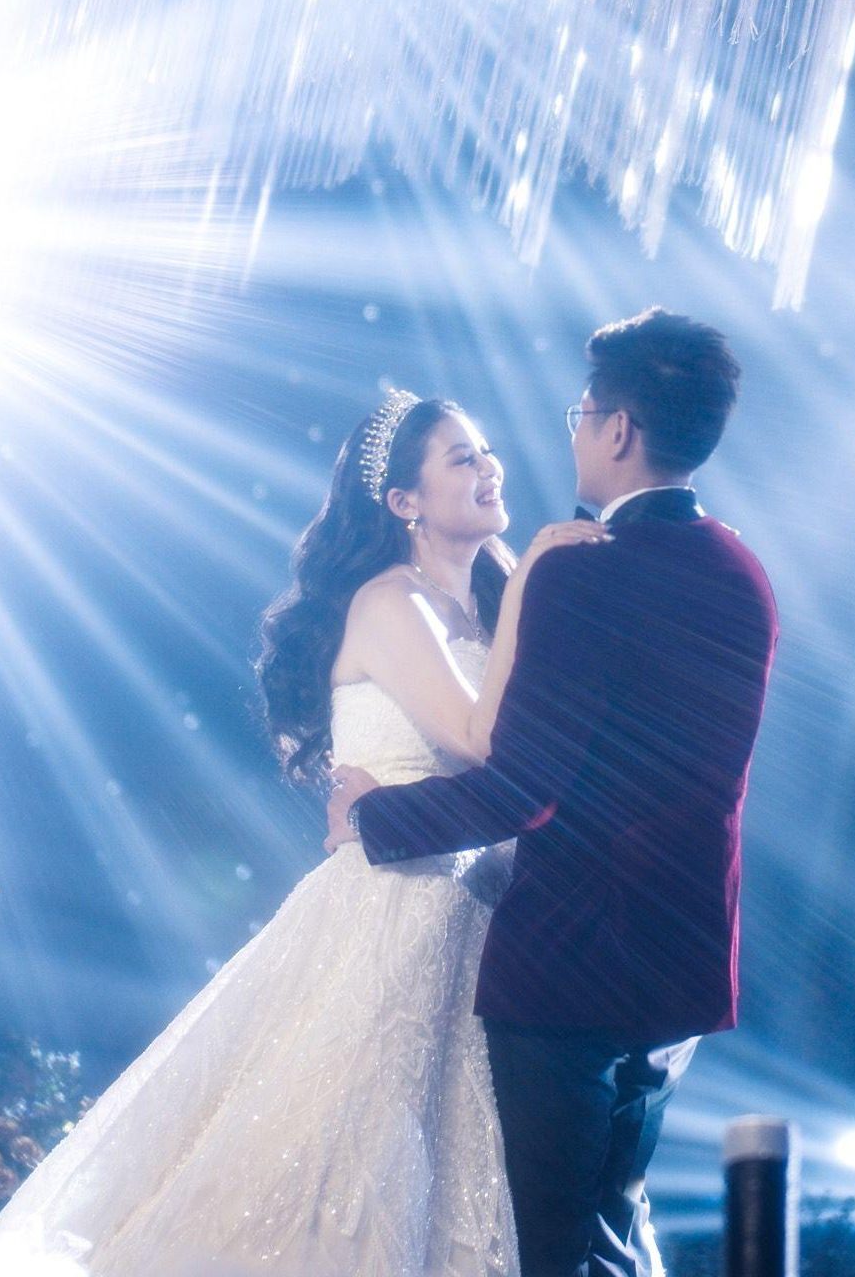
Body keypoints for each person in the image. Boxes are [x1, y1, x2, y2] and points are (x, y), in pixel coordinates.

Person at [0, 390, 603, 1276]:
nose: (488, 468)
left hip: (478, 917)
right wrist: (537, 568)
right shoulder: (391, 603)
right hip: (391, 910)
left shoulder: (483, 604)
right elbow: (481, 740)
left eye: (485, 450)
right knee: (333, 1158)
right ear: (403, 501)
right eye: (462, 458)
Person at [329, 310, 778, 1277]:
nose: (571, 435)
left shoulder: (585, 572)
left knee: (548, 1250)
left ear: (616, 430)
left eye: (581, 415)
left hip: (571, 966)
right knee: (614, 1233)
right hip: (684, 964)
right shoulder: (743, 570)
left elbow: (521, 789)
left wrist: (372, 811)